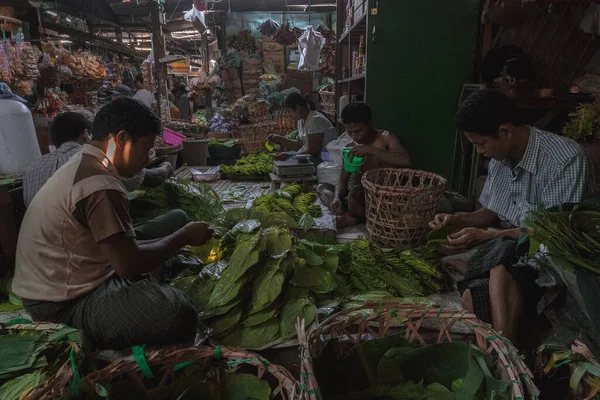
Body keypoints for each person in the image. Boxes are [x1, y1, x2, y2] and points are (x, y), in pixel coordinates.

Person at [12, 98, 213, 349]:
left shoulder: (87, 161)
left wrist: (175, 236)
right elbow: (128, 265)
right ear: (121, 140)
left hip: (69, 272)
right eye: (146, 148)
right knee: (179, 312)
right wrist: (182, 237)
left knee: (175, 220)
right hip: (61, 304)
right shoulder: (100, 184)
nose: (146, 158)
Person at [429, 89, 590, 342]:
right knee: (472, 298)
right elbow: (490, 212)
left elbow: (553, 236)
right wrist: (456, 220)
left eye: (481, 144)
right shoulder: (499, 159)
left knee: (500, 258)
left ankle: (508, 349)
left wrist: (487, 237)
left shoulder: (564, 160)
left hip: (551, 261)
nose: (480, 152)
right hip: (515, 257)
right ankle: (485, 278)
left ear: (505, 131)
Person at [23, 112, 175, 208]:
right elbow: (150, 178)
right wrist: (168, 166)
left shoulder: (33, 167)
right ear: (85, 135)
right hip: (74, 247)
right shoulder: (92, 160)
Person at [317, 102, 411, 229]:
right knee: (322, 188)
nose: (355, 137)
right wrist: (337, 198)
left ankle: (360, 216)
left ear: (370, 124)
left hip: (390, 196)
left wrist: (370, 150)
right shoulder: (350, 148)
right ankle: (346, 215)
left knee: (354, 195)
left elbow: (406, 160)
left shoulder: (385, 137)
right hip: (366, 196)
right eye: (350, 132)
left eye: (358, 131)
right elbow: (343, 181)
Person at [267, 92, 337, 163]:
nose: (289, 114)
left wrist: (289, 156)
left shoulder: (315, 120)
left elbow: (313, 151)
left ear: (297, 108)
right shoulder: (301, 121)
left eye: (290, 111)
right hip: (311, 158)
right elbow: (299, 145)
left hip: (324, 159)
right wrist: (280, 139)